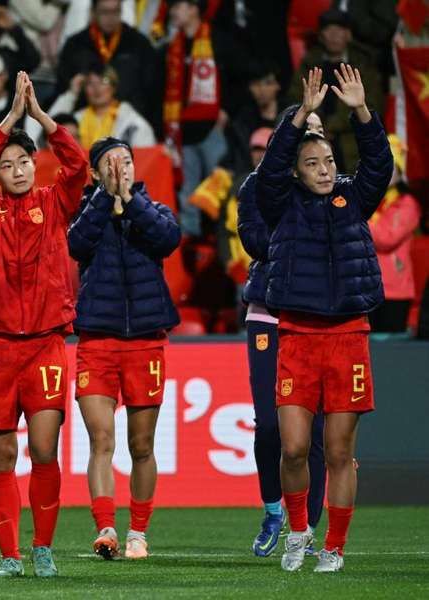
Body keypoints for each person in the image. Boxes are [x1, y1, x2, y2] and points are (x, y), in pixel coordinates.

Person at [255, 66, 392, 573]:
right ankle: (298, 533)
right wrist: (299, 118)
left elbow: (379, 164)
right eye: (312, 163)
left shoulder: (354, 198)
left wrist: (360, 111)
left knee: (338, 451)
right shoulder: (281, 203)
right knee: (293, 449)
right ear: (297, 170)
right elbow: (269, 171)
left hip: (348, 337)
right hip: (297, 336)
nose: (324, 169)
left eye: (329, 161)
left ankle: (332, 546)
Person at [0, 71, 87, 578]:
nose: (14, 169)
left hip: (45, 346)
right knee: (1, 455)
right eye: (6, 164)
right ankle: (10, 556)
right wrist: (10, 120)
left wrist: (41, 120)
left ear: (36, 166)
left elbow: (78, 165)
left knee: (43, 449)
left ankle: (42, 548)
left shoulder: (54, 203)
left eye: (22, 162)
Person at [68, 137, 180, 560]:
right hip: (96, 340)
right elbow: (76, 244)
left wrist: (129, 200)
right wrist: (103, 200)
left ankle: (138, 532)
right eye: (112, 163)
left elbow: (168, 239)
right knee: (101, 440)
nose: (121, 169)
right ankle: (105, 529)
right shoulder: (85, 211)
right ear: (96, 173)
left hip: (146, 343)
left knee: (142, 445)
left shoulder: (153, 211)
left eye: (128, 161)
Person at [237, 112, 328, 558]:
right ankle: (274, 509)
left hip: (317, 317)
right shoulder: (256, 188)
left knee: (314, 430)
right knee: (270, 424)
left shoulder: (334, 189)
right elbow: (254, 242)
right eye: (302, 130)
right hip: (269, 316)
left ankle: (306, 527)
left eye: (318, 130)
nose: (311, 138)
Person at [164, 0, 232, 237]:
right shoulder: (173, 46)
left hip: (212, 127)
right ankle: (189, 247)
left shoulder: (217, 39)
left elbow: (234, 78)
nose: (172, 11)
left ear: (194, 8)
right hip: (184, 131)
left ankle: (228, 241)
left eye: (177, 6)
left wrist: (226, 109)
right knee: (187, 193)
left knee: (219, 186)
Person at [287, 8, 383, 173]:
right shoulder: (309, 63)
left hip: (351, 141)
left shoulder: (363, 65)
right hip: (314, 135)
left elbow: (373, 105)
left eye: (339, 30)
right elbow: (295, 99)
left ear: (348, 35)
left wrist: (332, 125)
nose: (334, 36)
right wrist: (319, 125)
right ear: (321, 36)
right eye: (329, 30)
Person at [57, 0, 161, 132]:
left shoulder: (138, 44)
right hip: (84, 126)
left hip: (127, 126)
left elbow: (152, 90)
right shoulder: (76, 45)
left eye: (115, 12)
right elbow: (63, 87)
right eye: (105, 12)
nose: (110, 18)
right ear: (93, 13)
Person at [29, 65, 155, 150]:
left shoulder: (130, 122)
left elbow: (145, 157)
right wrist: (72, 94)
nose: (97, 88)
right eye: (90, 83)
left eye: (103, 82)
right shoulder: (77, 119)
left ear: (114, 87)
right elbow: (49, 129)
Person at [367, 135, 421, 333]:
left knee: (393, 354)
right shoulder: (367, 201)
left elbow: (387, 238)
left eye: (391, 166)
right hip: (367, 287)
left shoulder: (407, 204)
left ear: (399, 172)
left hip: (395, 291)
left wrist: (357, 220)